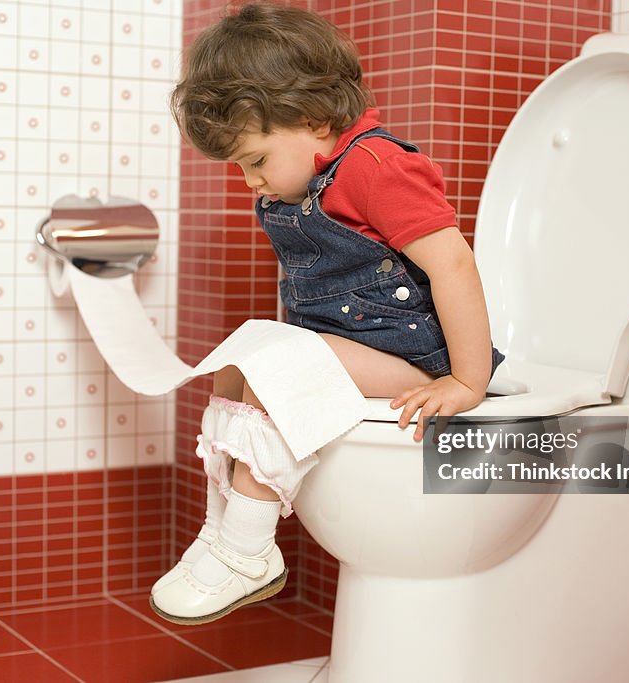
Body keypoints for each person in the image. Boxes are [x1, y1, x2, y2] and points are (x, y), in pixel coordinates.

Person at [150, 1, 504, 625]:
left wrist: (466, 380)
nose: (249, 181)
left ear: (314, 120)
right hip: (359, 345)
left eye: (255, 161)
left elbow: (453, 265)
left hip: (417, 356)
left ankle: (248, 549)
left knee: (273, 375)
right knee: (235, 368)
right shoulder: (311, 177)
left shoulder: (377, 167)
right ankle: (221, 532)